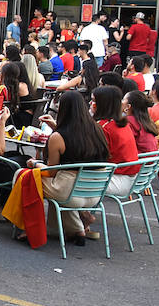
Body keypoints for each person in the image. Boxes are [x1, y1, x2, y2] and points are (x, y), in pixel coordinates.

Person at [28, 90, 110, 245]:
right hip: (95, 191)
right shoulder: (98, 129)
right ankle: (75, 227)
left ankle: (29, 228)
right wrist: (56, 127)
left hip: (69, 191)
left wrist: (35, 163)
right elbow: (76, 141)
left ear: (62, 109)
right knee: (62, 186)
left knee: (28, 179)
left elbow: (51, 172)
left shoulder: (58, 137)